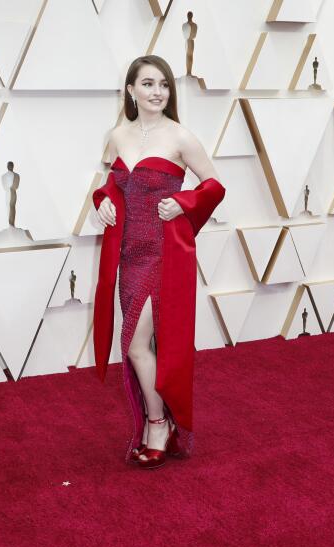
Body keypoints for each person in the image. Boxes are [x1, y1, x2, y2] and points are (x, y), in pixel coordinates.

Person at [92, 55, 225, 469]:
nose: (157, 92)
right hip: (128, 254)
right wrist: (103, 203)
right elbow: (109, 185)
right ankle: (159, 420)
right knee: (140, 345)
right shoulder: (117, 136)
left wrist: (183, 203)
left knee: (134, 344)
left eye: (163, 84)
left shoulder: (181, 137)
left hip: (162, 254)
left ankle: (158, 424)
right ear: (130, 90)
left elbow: (215, 185)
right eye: (147, 84)